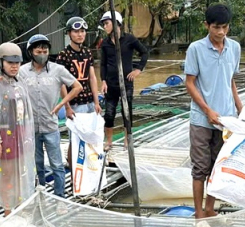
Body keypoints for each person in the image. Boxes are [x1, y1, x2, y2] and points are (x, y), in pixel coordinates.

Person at [184, 4, 243, 227]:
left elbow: (230, 80)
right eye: (216, 27)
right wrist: (207, 110)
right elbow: (190, 83)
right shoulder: (196, 49)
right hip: (202, 119)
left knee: (219, 167)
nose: (221, 32)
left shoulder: (234, 48)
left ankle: (210, 209)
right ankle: (199, 215)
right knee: (200, 167)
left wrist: (239, 106)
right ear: (206, 25)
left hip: (226, 120)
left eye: (225, 27)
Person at [19, 34, 82, 198]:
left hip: (50, 126)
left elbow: (77, 87)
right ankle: (40, 194)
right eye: (38, 51)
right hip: (31, 127)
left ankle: (60, 197)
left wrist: (62, 104)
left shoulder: (57, 70)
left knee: (57, 165)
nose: (42, 53)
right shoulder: (22, 71)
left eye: (45, 50)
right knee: (37, 164)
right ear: (31, 52)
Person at [0, 42, 36, 216]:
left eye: (17, 62)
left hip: (21, 134)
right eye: (10, 62)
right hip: (4, 135)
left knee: (21, 171)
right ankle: (7, 209)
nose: (14, 66)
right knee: (7, 173)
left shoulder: (20, 83)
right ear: (0, 62)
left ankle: (19, 205)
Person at [98, 10, 149, 150]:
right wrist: (103, 81)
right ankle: (109, 142)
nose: (105, 27)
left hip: (126, 82)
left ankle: (127, 140)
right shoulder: (105, 43)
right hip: (111, 83)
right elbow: (103, 64)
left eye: (107, 23)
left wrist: (138, 70)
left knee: (127, 112)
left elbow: (144, 52)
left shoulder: (129, 39)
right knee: (109, 113)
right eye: (104, 24)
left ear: (116, 23)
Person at [56, 16, 101, 167]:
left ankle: (89, 166)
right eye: (76, 32)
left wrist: (96, 102)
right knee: (74, 138)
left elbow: (92, 77)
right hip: (75, 104)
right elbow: (61, 83)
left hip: (89, 101)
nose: (80, 34)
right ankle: (72, 166)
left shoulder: (87, 52)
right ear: (69, 33)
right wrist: (67, 107)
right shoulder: (63, 55)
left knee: (91, 135)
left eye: (82, 31)